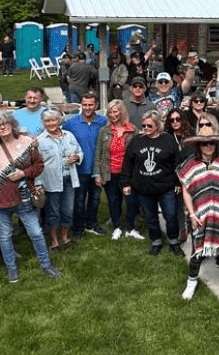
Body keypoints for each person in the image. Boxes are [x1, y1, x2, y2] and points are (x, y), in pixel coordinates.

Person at [0, 110, 61, 282]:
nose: (2, 127)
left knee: (36, 233)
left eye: (5, 123)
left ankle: (46, 266)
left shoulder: (27, 141)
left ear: (12, 124)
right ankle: (12, 270)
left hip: (24, 195)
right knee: (5, 236)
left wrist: (23, 173)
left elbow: (39, 166)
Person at [178, 121, 219, 300]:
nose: (208, 146)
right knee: (198, 250)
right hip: (200, 215)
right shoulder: (190, 164)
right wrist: (191, 214)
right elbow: (185, 189)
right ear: (198, 145)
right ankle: (191, 281)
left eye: (211, 143)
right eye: (204, 143)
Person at [120, 110, 183, 255]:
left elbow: (177, 163)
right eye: (144, 125)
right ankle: (156, 241)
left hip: (166, 187)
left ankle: (173, 241)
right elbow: (128, 163)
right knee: (151, 217)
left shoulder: (168, 140)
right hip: (144, 188)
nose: (146, 128)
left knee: (171, 216)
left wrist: (179, 183)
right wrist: (126, 183)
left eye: (149, 125)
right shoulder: (137, 141)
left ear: (158, 126)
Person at [94, 99, 141, 241]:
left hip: (127, 174)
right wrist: (97, 174)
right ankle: (117, 227)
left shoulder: (133, 130)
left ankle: (130, 228)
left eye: (115, 111)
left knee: (131, 201)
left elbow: (138, 154)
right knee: (113, 201)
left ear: (122, 112)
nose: (113, 114)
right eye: (110, 112)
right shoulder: (104, 131)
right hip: (109, 172)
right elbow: (98, 153)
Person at [37, 108, 82, 250]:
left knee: (68, 210)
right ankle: (54, 241)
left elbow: (79, 151)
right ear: (43, 123)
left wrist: (77, 157)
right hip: (50, 181)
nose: (51, 123)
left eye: (54, 120)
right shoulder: (40, 141)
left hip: (69, 178)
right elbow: (36, 164)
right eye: (47, 121)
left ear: (59, 120)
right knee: (53, 212)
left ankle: (65, 237)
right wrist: (38, 183)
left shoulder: (69, 136)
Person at [65, 93, 107, 237]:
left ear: (96, 105)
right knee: (79, 200)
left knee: (95, 198)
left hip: (97, 168)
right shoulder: (71, 123)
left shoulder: (103, 122)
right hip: (79, 169)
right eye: (85, 105)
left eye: (90, 105)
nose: (87, 108)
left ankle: (92, 223)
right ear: (81, 105)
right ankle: (78, 227)